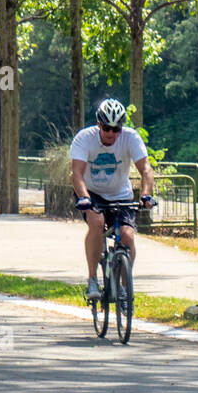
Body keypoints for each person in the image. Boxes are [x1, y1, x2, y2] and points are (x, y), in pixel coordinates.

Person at [70, 98, 156, 301]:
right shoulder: (85, 138)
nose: (111, 134)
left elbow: (146, 169)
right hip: (91, 193)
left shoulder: (131, 138)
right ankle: (92, 279)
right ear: (99, 125)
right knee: (97, 223)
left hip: (121, 194)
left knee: (127, 236)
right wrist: (85, 199)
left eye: (116, 129)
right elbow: (77, 174)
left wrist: (146, 195)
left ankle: (125, 286)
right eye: (106, 128)